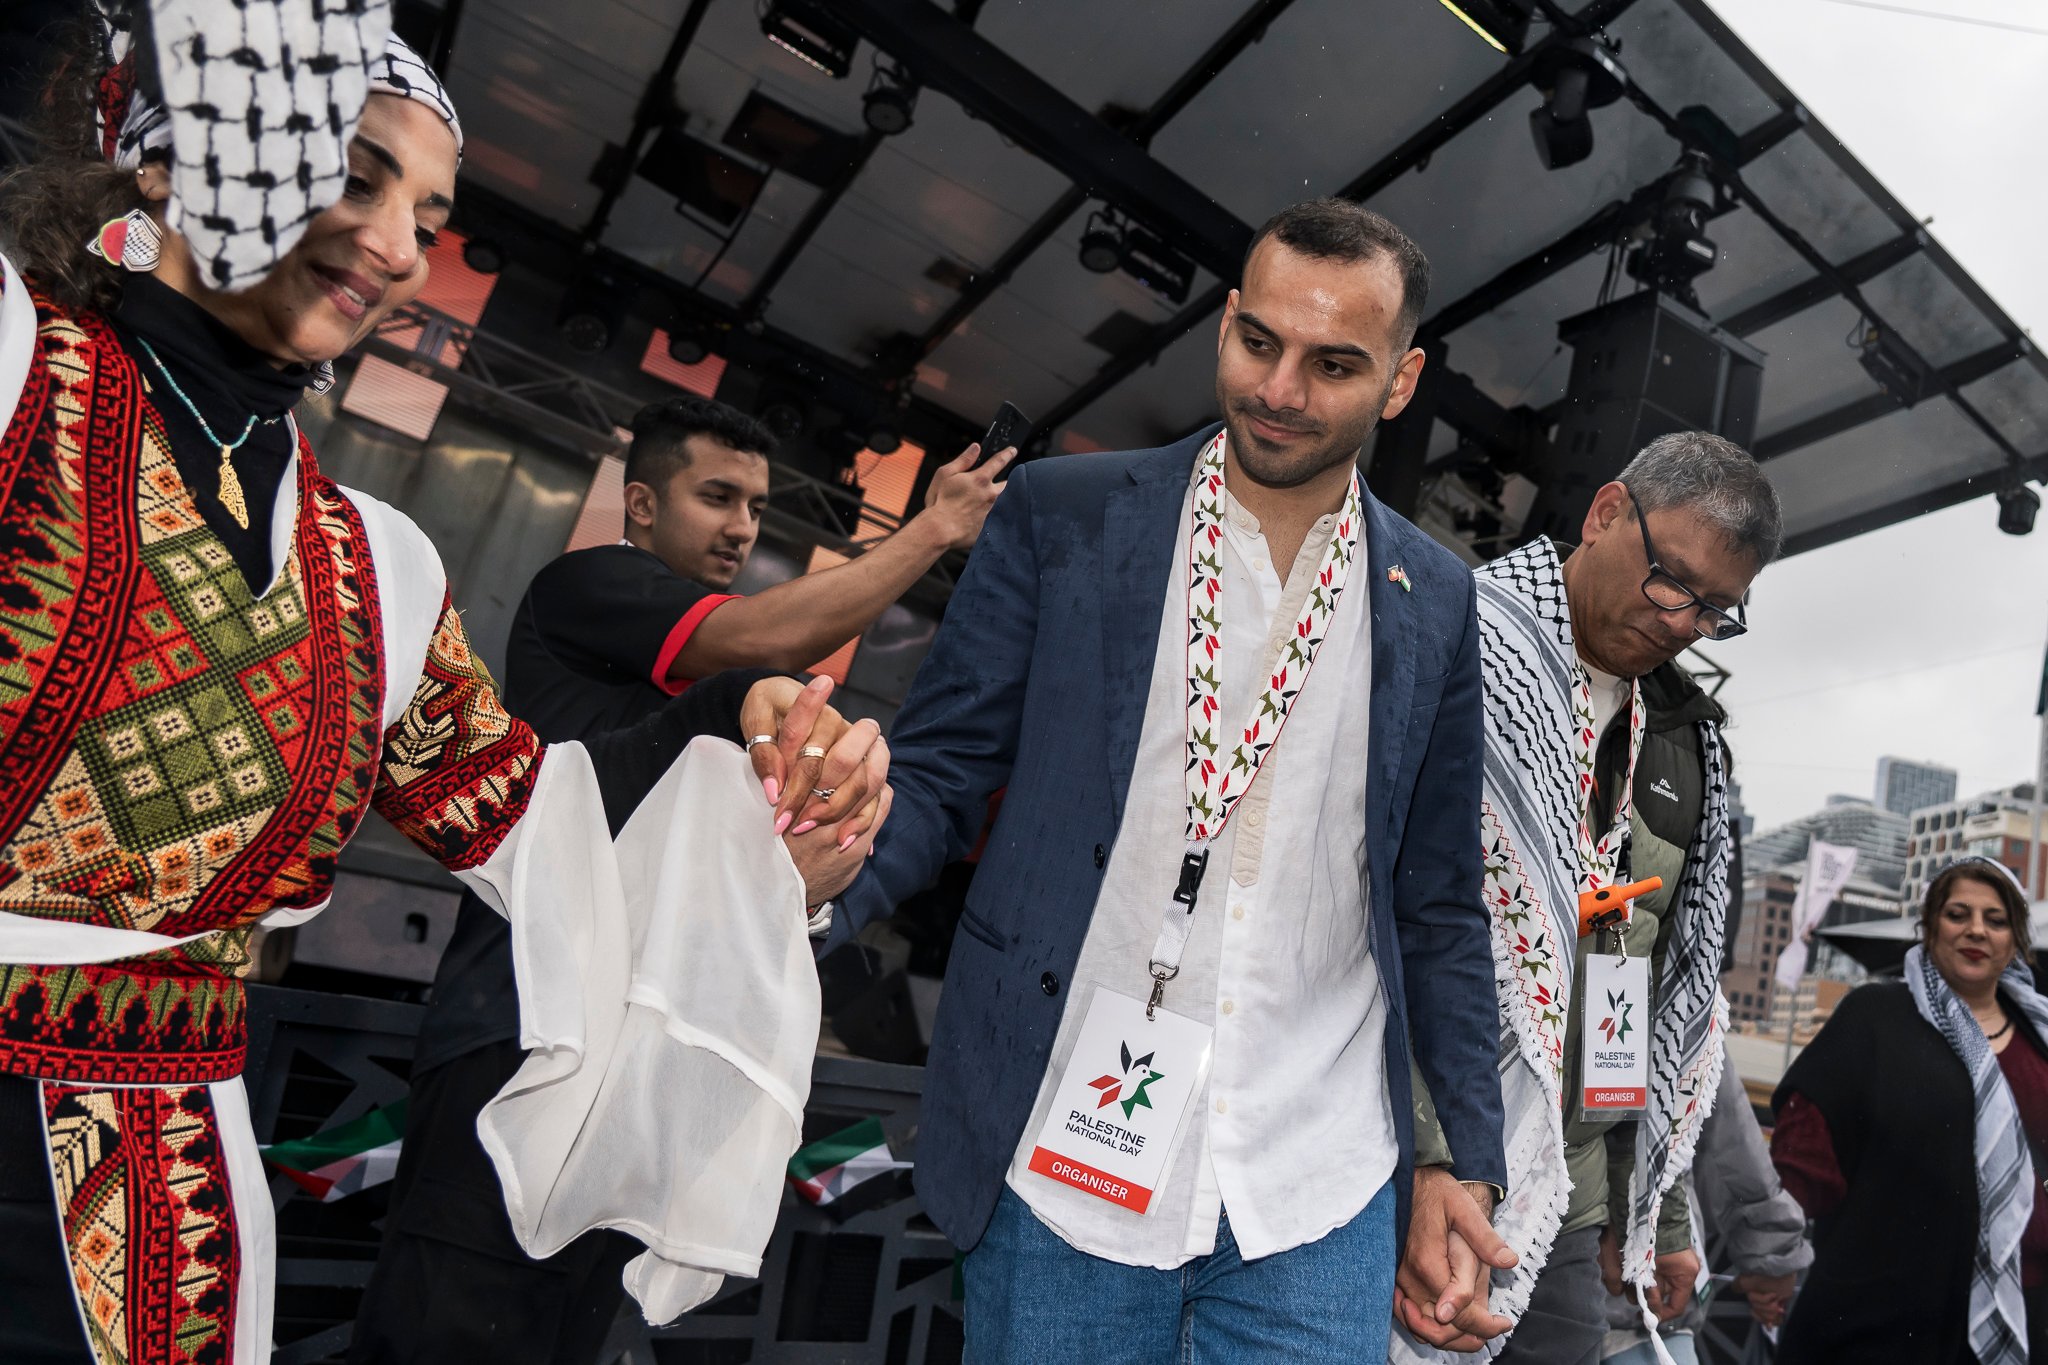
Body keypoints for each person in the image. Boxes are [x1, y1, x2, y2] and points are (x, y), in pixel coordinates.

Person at [0, 9, 885, 1362]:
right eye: (357, 174)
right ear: (183, 161)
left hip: (170, 1204)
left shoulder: (378, 568)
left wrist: (760, 780)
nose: (401, 246)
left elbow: (549, 834)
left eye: (429, 211)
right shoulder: (19, 378)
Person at [816, 197, 1516, 1361]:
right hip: (1059, 1161)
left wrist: (1461, 1159)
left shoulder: (1435, 598)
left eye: (1333, 364)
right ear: (1228, 320)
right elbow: (939, 775)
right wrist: (811, 882)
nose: (1278, 389)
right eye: (1258, 343)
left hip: (1314, 1186)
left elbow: (1437, 901)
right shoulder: (1063, 517)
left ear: (1400, 382)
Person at [349, 394, 1010, 1365]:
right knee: (445, 1332)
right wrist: (937, 529)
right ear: (645, 504)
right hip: (521, 1024)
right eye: (716, 495)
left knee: (566, 1336)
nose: (741, 525)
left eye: (753, 505)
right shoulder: (591, 587)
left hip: (641, 1047)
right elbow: (755, 640)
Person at [1400, 434, 1782, 1364]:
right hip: (1396, 1163)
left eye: (1717, 610)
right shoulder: (1449, 639)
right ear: (1606, 513)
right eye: (1672, 581)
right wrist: (1428, 1154)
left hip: (1566, 1200)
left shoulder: (1687, 740)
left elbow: (1662, 1002)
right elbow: (1371, 920)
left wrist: (1663, 1212)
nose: (1683, 622)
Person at [1772, 856, 2048, 1365]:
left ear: (2015, 941)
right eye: (1958, 913)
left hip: (2022, 1312)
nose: (1976, 930)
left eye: (1996, 919)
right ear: (1929, 926)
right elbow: (1803, 1153)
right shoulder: (1875, 1017)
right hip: (1880, 1320)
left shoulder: (2040, 1038)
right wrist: (1774, 1254)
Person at [1595, 1043, 1811, 1364]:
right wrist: (1772, 1251)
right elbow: (1727, 1144)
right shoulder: (1682, 1005)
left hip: (1550, 1293)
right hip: (1642, 1307)